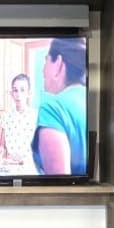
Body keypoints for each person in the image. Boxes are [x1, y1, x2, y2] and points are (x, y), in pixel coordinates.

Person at [32, 37, 88, 175]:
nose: (43, 70)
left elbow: (59, 183)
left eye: (46, 60)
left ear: (58, 63)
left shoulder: (52, 109)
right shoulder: (89, 99)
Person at [0, 73, 37, 165]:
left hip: (29, 165)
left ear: (29, 93)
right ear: (11, 93)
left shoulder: (35, 116)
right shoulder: (6, 116)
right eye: (15, 90)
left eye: (22, 90)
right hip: (10, 164)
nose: (18, 94)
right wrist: (0, 154)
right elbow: (2, 146)